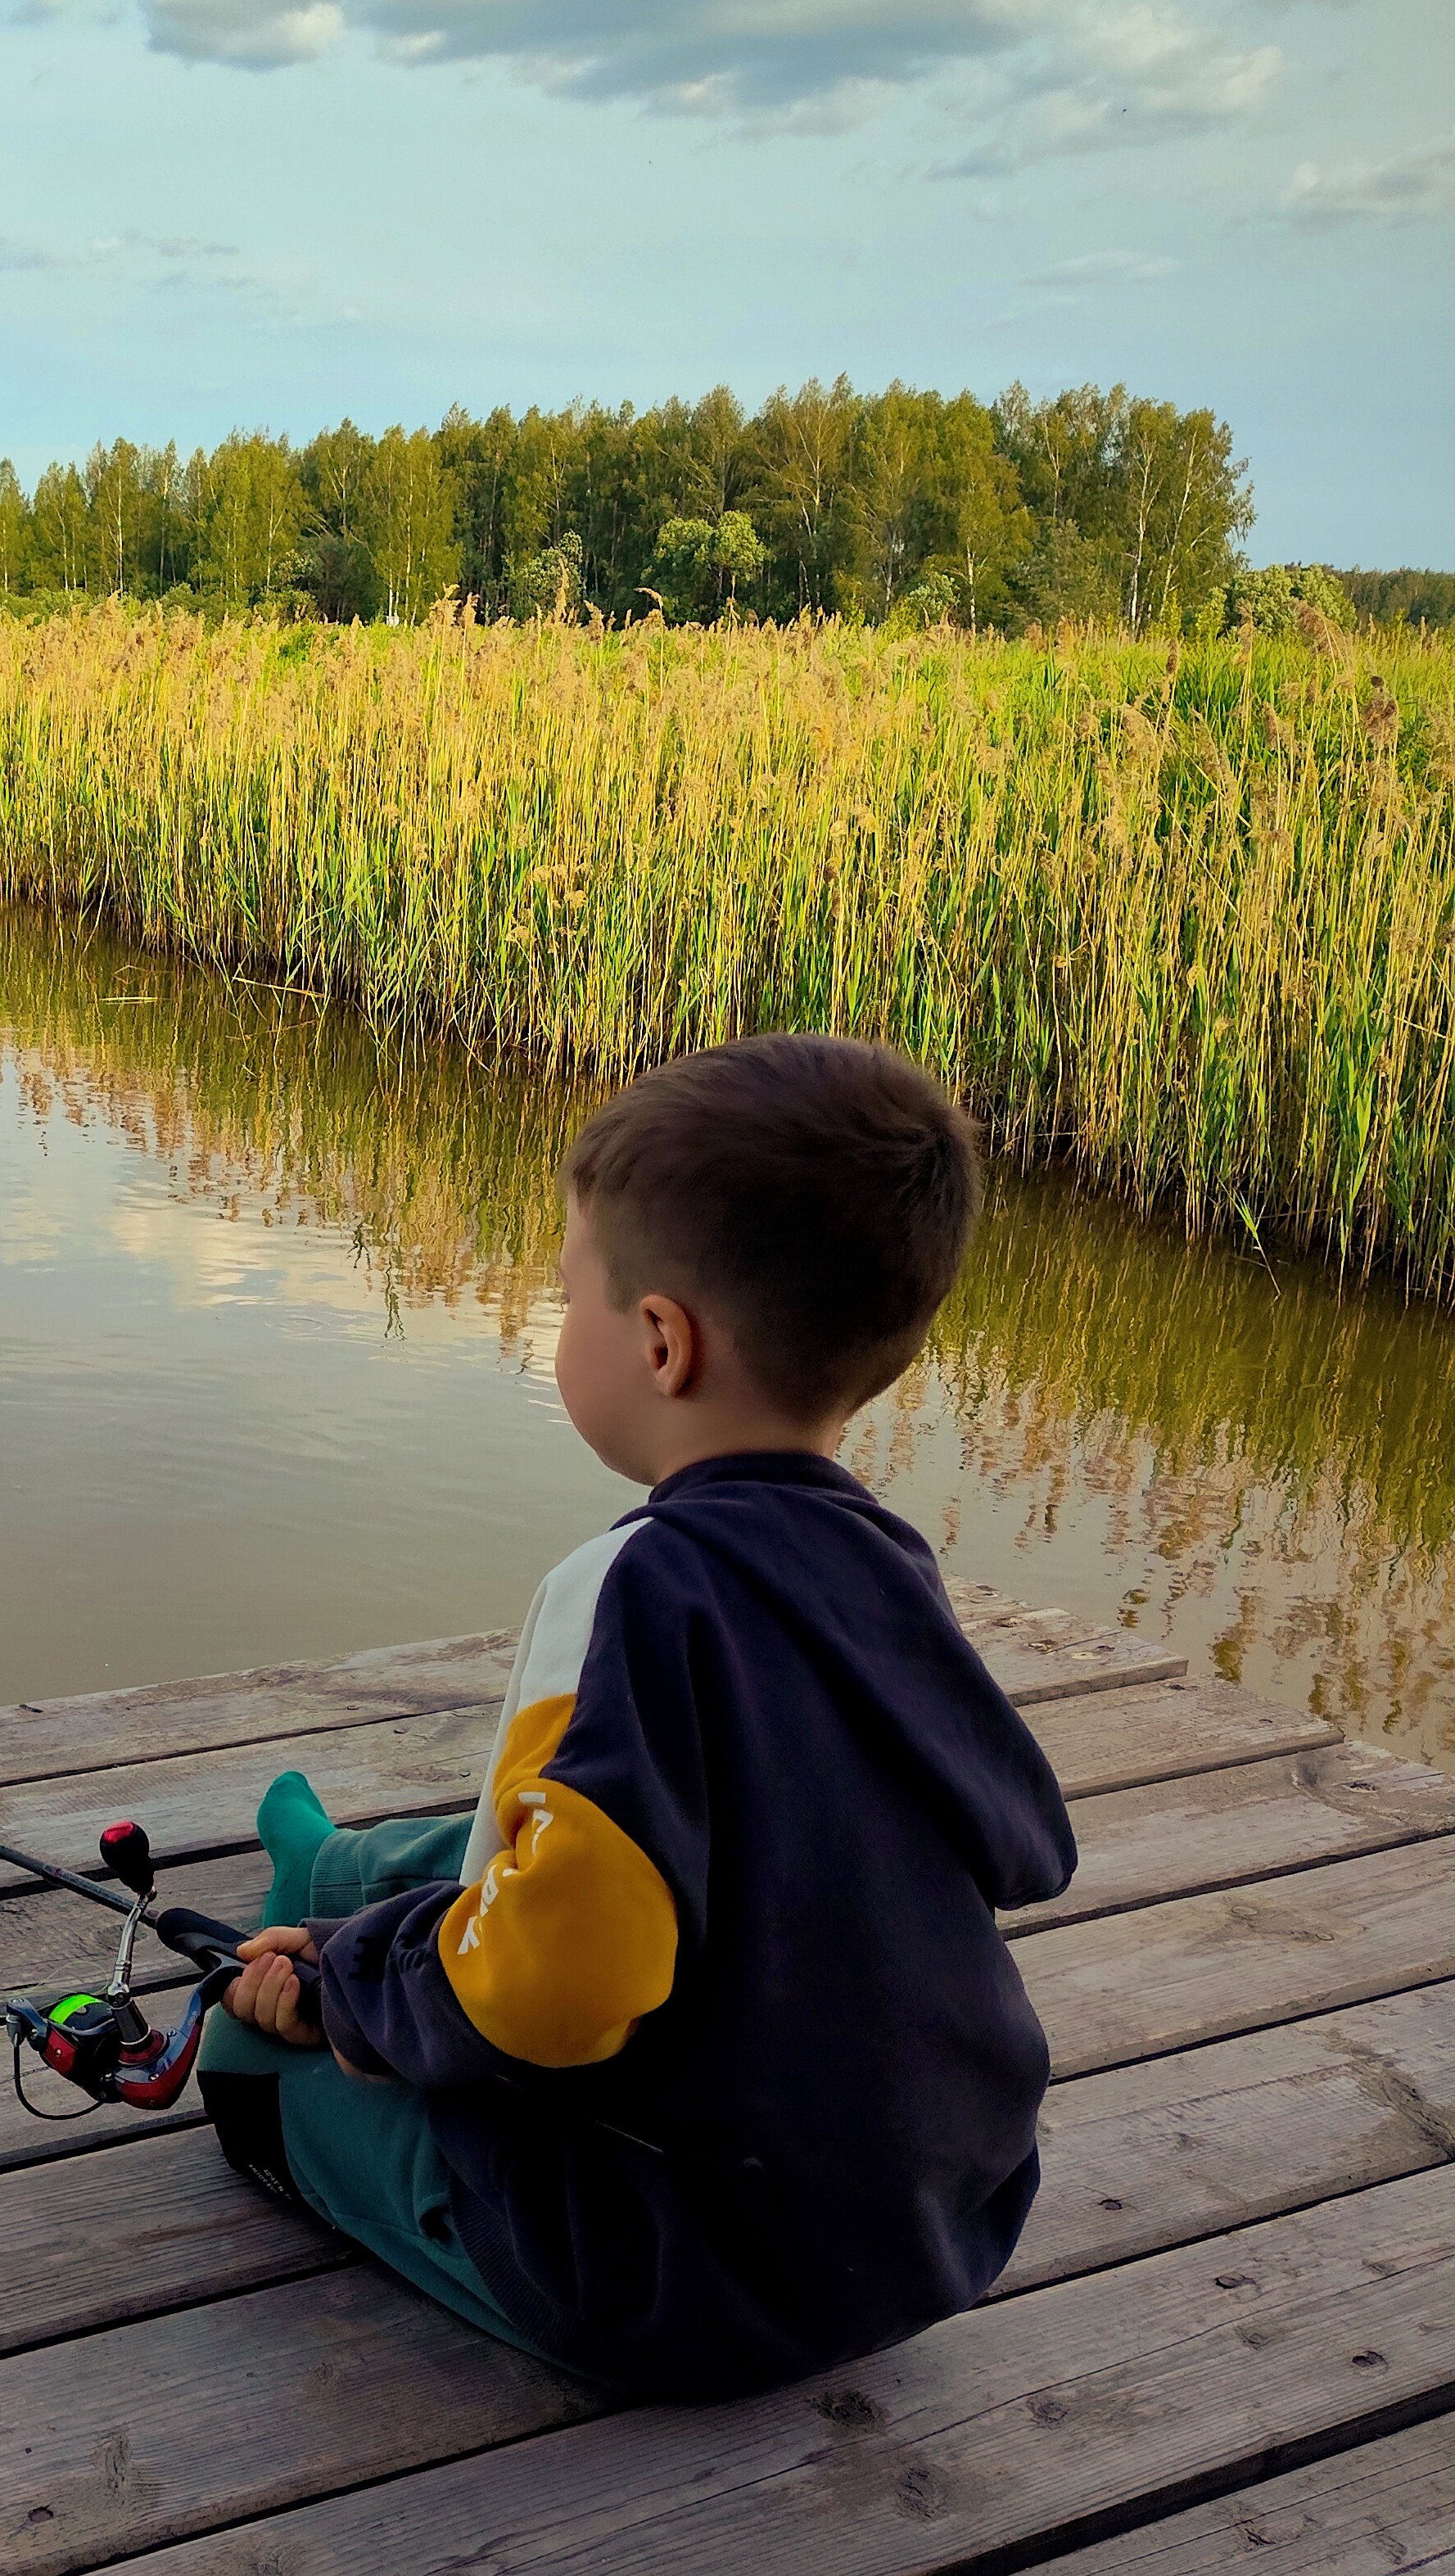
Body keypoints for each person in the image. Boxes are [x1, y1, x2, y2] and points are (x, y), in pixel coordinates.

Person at [200, 1030, 1077, 2404]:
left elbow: (560, 1988)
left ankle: (332, 1937)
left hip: (683, 2273)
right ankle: (338, 1882)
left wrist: (351, 2007)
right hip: (934, 2234)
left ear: (662, 1342)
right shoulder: (888, 1563)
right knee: (556, 1822)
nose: (559, 1326)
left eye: (568, 1296)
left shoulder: (624, 1588)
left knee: (249, 2058)